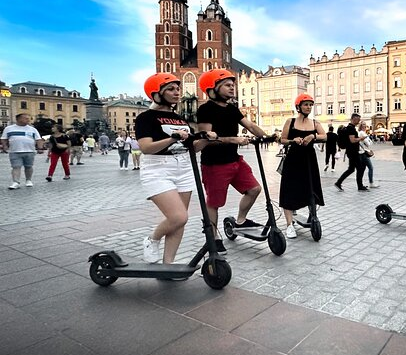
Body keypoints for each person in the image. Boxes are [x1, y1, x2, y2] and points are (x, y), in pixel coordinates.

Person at [136, 73, 215, 264]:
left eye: (177, 88)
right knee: (179, 216)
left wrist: (205, 140)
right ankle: (152, 239)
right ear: (156, 94)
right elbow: (146, 148)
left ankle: (168, 264)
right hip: (158, 169)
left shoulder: (179, 118)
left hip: (183, 168)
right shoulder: (146, 118)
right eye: (170, 89)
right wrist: (173, 138)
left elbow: (191, 149)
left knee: (180, 221)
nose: (177, 92)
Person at [197, 69, 269, 252]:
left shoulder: (232, 108)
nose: (232, 88)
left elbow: (250, 126)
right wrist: (232, 139)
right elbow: (207, 140)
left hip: (234, 160)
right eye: (227, 85)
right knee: (214, 203)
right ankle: (213, 237)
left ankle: (240, 221)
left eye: (232, 85)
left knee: (254, 189)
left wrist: (268, 137)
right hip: (214, 163)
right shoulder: (205, 109)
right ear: (213, 88)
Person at [279, 94, 326, 238]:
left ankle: (313, 216)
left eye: (311, 105)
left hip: (309, 160)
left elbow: (325, 136)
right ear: (298, 106)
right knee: (289, 189)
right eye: (306, 104)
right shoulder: (290, 121)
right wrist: (293, 140)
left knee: (311, 188)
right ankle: (289, 225)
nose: (309, 107)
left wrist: (313, 136)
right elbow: (282, 140)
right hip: (293, 159)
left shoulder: (315, 123)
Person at [1, 113, 44, 189]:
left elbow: (38, 139)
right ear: (18, 119)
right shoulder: (9, 128)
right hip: (15, 151)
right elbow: (3, 138)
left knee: (29, 166)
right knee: (16, 167)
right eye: (26, 118)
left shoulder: (32, 129)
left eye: (28, 118)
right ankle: (15, 182)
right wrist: (5, 146)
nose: (28, 120)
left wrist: (40, 148)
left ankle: (28, 180)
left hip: (29, 151)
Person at [334, 113, 367, 192]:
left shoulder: (350, 128)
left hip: (351, 152)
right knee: (360, 168)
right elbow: (352, 140)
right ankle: (360, 186)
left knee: (351, 169)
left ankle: (338, 182)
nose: (359, 121)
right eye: (358, 119)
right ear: (353, 119)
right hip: (353, 152)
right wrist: (360, 138)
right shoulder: (351, 129)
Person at [358, 122, 379, 188]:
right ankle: (371, 183)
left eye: (365, 125)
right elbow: (369, 143)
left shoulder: (364, 133)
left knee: (362, 169)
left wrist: (368, 141)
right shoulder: (361, 133)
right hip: (363, 153)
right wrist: (368, 141)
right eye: (363, 125)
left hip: (363, 152)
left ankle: (361, 184)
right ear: (361, 126)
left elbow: (370, 143)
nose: (365, 126)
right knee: (370, 168)